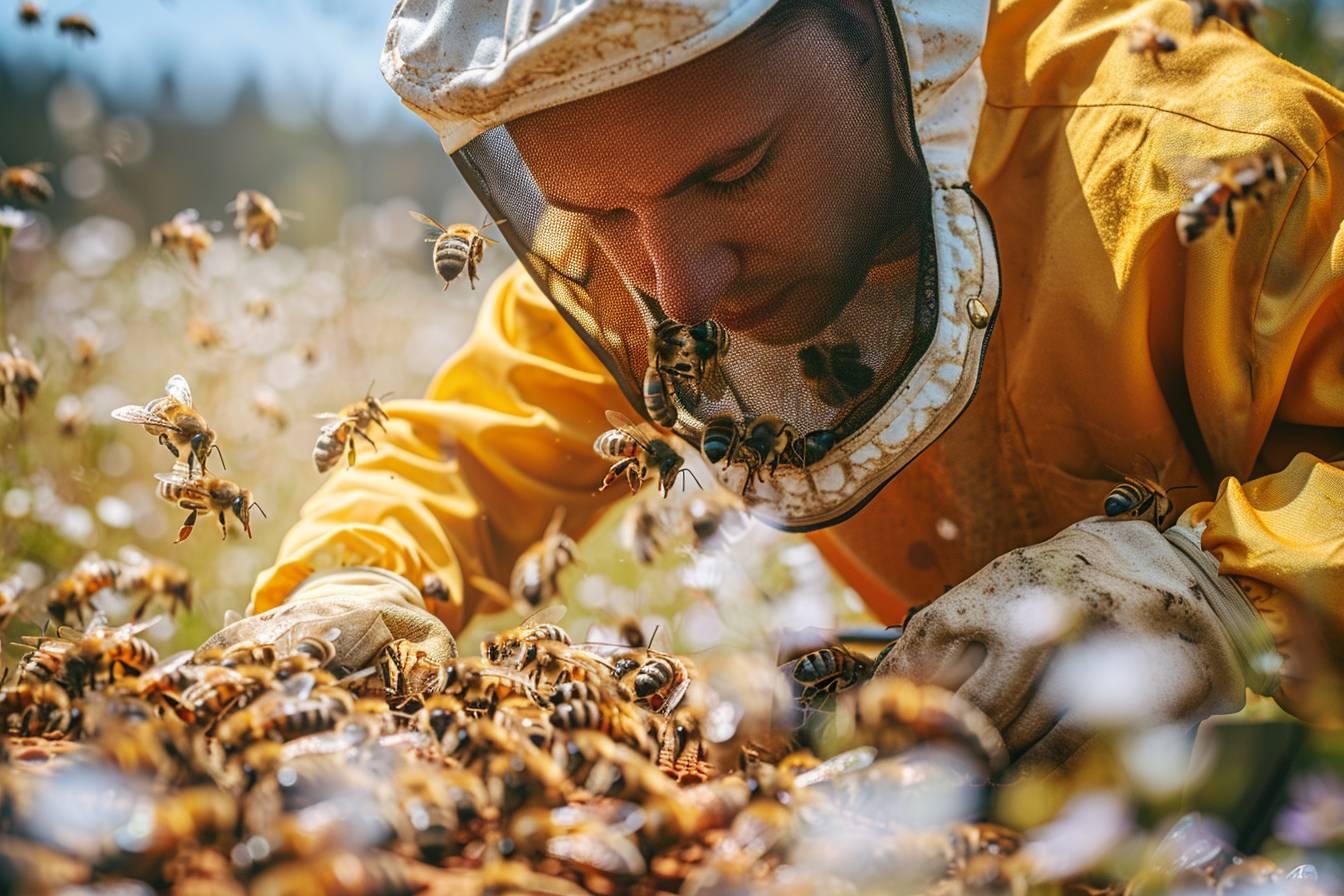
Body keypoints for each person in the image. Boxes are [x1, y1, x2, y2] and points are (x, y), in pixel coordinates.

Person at [206, 0, 1344, 769]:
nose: (679, 285)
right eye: (603, 213)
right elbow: (463, 451)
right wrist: (344, 587)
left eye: (735, 173)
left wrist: (1218, 580)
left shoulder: (1212, 158)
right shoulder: (643, 272)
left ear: (879, 30)